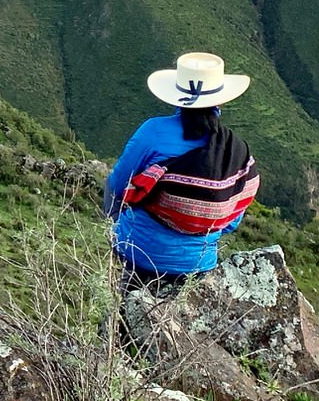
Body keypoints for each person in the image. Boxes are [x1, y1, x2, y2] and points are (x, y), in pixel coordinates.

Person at [103, 51, 260, 292]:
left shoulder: (152, 132)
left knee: (126, 320)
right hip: (199, 265)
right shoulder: (235, 150)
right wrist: (197, 223)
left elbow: (117, 185)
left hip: (139, 255)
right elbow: (230, 220)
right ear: (220, 101)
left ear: (177, 98)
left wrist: (113, 223)